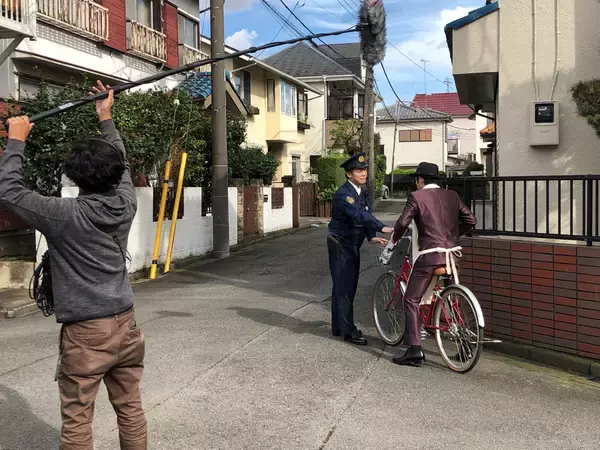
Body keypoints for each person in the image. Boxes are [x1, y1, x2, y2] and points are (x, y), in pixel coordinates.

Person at [0, 81, 147, 449]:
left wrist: (16, 141)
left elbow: (10, 191)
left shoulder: (62, 214)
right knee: (130, 407)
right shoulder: (126, 203)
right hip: (126, 323)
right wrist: (105, 117)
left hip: (85, 333)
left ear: (74, 176)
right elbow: (121, 161)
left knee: (77, 418)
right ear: (116, 174)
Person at [390, 162, 476, 366]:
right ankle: (465, 346)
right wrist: (453, 235)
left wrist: (394, 240)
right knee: (453, 298)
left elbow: (402, 223)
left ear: (420, 180)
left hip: (430, 256)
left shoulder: (417, 197)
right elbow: (471, 220)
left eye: (417, 180)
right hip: (452, 255)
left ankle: (415, 350)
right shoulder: (452, 196)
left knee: (411, 299)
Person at [327, 152, 394, 345]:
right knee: (345, 287)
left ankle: (338, 326)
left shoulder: (360, 191)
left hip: (351, 244)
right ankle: (348, 331)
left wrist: (371, 235)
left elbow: (365, 213)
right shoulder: (344, 194)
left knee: (343, 286)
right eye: (358, 170)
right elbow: (358, 214)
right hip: (341, 244)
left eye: (364, 169)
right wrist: (381, 226)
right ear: (349, 174)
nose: (363, 173)